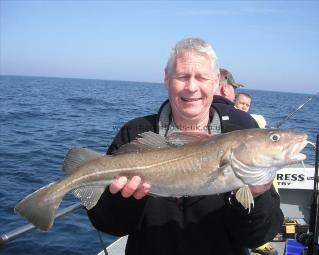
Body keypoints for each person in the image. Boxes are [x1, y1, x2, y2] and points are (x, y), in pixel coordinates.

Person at [87, 37, 283, 255]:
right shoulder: (136, 132)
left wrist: (257, 195)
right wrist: (125, 199)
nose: (191, 87)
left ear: (216, 81)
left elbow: (258, 236)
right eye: (182, 77)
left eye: (201, 77)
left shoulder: (243, 129)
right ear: (166, 79)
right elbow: (108, 224)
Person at [235, 92, 277, 255]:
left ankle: (259, 240)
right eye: (241, 103)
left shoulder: (254, 121)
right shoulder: (230, 124)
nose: (244, 107)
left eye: (247, 105)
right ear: (234, 102)